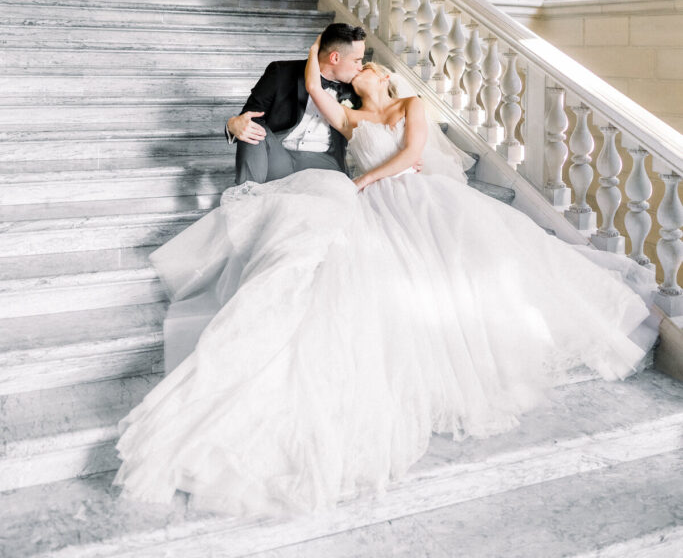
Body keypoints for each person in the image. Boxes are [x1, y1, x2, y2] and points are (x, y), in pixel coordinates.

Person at [114, 41, 656, 518]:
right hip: (376, 204)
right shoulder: (349, 118)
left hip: (420, 197)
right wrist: (318, 51)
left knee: (465, 270)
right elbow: (313, 87)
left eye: (369, 67)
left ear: (387, 80)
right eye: (358, 63)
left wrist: (363, 182)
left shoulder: (410, 105)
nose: (363, 70)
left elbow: (414, 155)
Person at [225, 22, 366, 184]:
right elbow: (247, 117)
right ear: (334, 57)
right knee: (252, 128)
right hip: (279, 155)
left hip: (323, 162)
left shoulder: (355, 89)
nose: (360, 67)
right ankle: (246, 198)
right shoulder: (281, 72)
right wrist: (232, 125)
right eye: (357, 60)